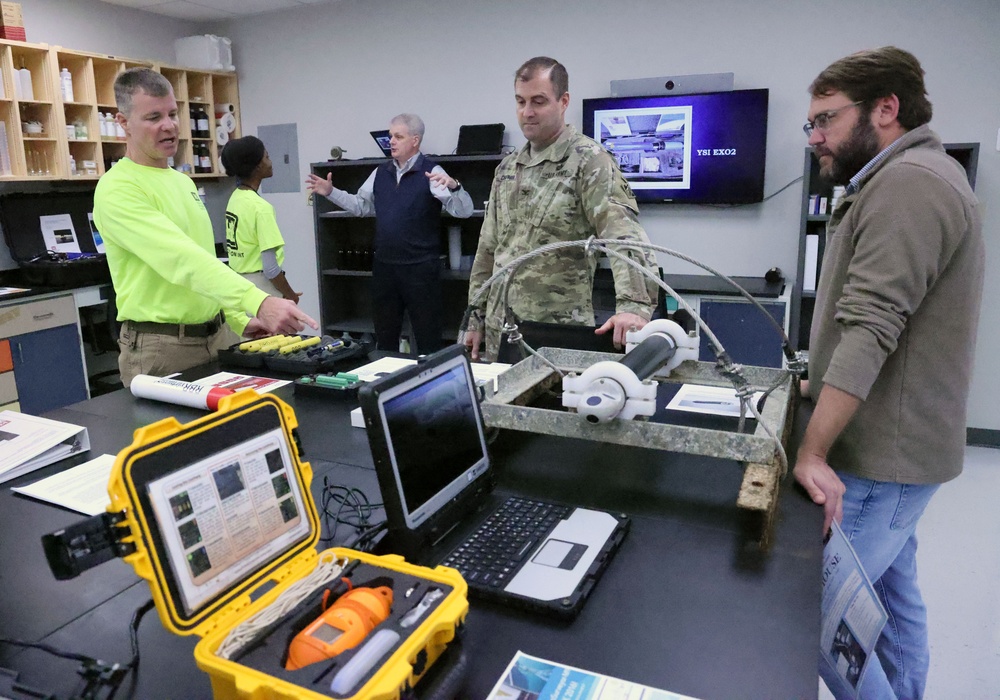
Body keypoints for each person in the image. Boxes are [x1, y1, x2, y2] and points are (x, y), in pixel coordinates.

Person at [795, 47, 984, 700]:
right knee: (892, 597)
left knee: (819, 614)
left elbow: (871, 326)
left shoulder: (911, 185)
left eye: (826, 119)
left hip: (882, 457)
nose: (815, 135)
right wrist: (813, 382)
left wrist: (813, 451)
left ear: (886, 108)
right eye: (810, 124)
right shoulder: (902, 178)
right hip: (896, 451)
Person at [93, 68, 316, 388]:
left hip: (218, 334)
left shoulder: (182, 182)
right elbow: (181, 260)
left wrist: (240, 318)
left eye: (172, 113)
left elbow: (204, 262)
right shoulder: (118, 188)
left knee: (235, 431)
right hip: (163, 347)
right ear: (124, 122)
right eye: (153, 117)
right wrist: (260, 302)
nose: (168, 125)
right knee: (181, 438)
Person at [463, 57, 659, 362]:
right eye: (521, 101)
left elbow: (623, 235)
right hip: (499, 328)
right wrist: (474, 316)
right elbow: (488, 248)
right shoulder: (506, 168)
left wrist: (633, 307)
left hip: (556, 332)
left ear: (563, 101)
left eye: (538, 101)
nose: (527, 112)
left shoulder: (588, 161)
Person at [305, 114, 474, 354]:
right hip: (385, 267)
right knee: (385, 337)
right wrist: (331, 192)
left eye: (398, 136)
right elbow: (360, 206)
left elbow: (464, 212)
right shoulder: (380, 172)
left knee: (428, 337)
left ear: (415, 140)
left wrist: (454, 186)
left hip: (420, 269)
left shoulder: (432, 171)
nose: (391, 141)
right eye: (390, 136)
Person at [221, 136, 303, 324]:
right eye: (267, 157)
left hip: (240, 287)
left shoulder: (235, 198)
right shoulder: (261, 208)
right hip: (262, 290)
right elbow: (271, 268)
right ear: (257, 166)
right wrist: (290, 295)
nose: (271, 162)